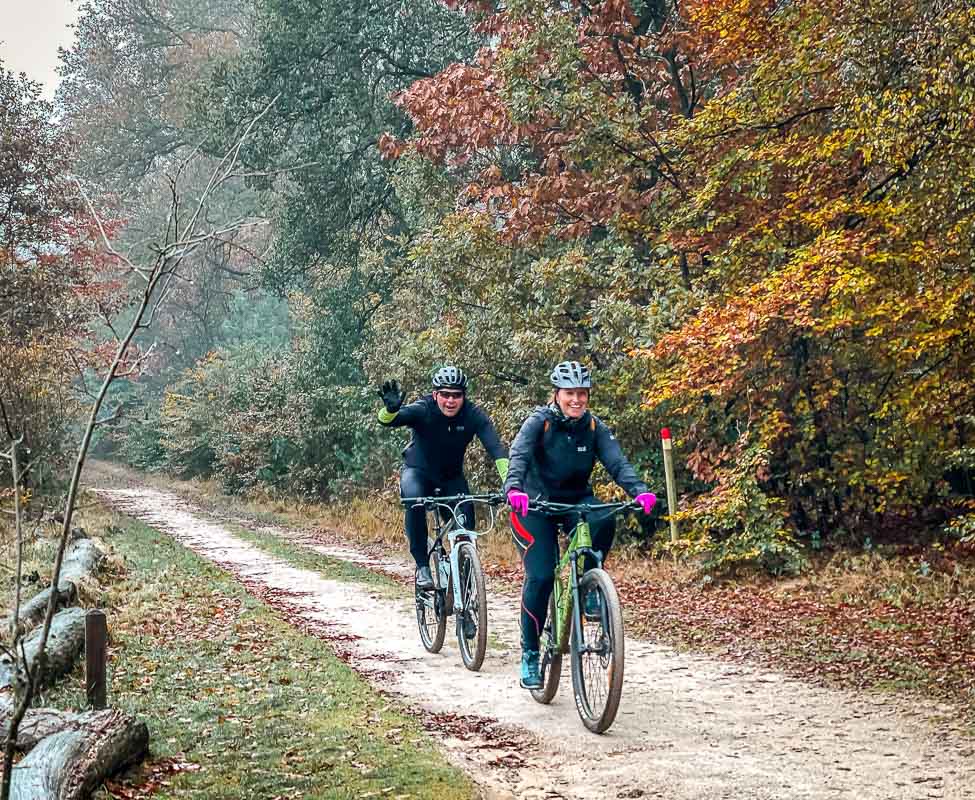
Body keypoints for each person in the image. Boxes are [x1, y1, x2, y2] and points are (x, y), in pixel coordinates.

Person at [502, 360, 656, 689]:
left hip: (575, 501)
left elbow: (617, 461)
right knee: (541, 575)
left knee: (603, 516)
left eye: (582, 394)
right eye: (570, 393)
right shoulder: (538, 423)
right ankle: (530, 652)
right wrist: (514, 489)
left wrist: (639, 490)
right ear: (556, 394)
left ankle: (589, 585)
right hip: (535, 504)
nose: (577, 400)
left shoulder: (592, 427)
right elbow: (519, 456)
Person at [378, 365, 509, 590]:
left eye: (456, 395)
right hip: (418, 473)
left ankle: (466, 597)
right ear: (435, 394)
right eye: (445, 394)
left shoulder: (473, 415)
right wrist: (390, 410)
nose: (450, 401)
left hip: (451, 479)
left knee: (466, 532)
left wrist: (510, 483)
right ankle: (422, 567)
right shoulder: (424, 409)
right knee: (414, 501)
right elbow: (387, 421)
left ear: (464, 396)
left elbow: (496, 449)